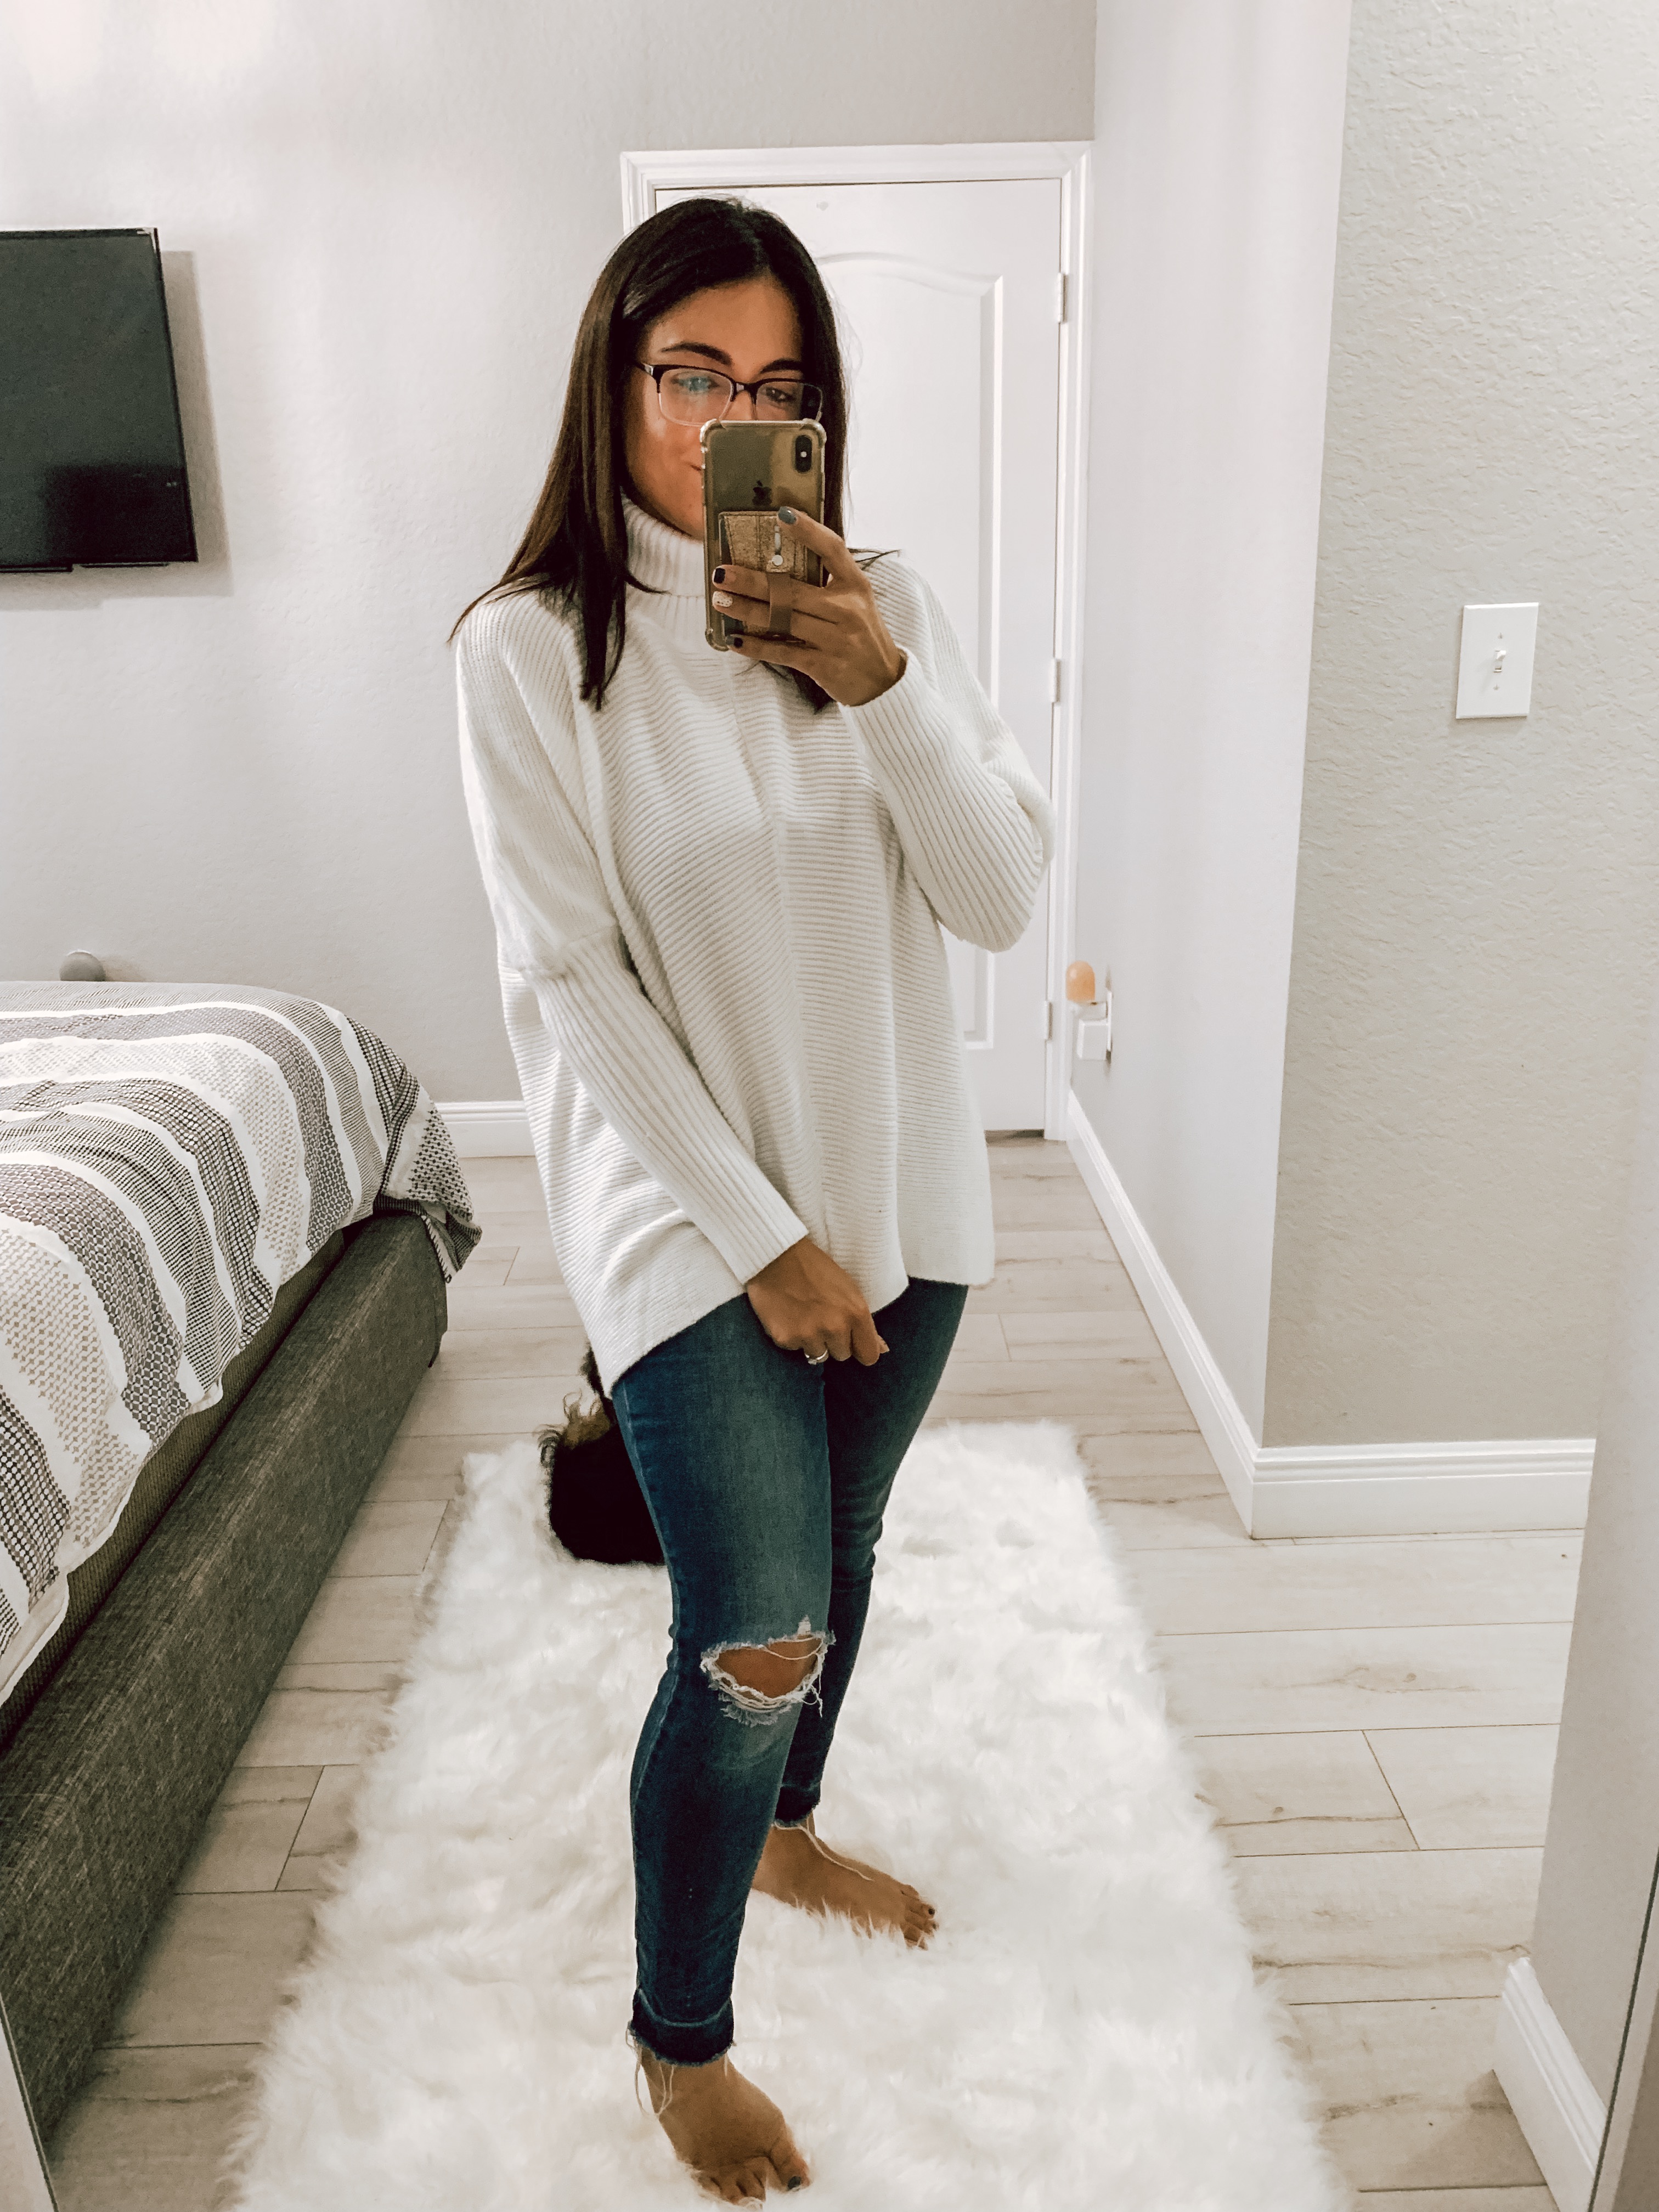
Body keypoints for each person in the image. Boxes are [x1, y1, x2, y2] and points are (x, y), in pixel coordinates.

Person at [452, 196, 1054, 2203]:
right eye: (690, 377)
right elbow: (572, 984)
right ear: (614, 385)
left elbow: (997, 898)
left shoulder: (891, 609)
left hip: (901, 1187)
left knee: (844, 1546)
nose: (731, 421)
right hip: (680, 1203)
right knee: (755, 1634)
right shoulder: (530, 653)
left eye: (775, 387)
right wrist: (765, 1245)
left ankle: (787, 1835)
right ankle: (679, 2036)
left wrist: (886, 685)